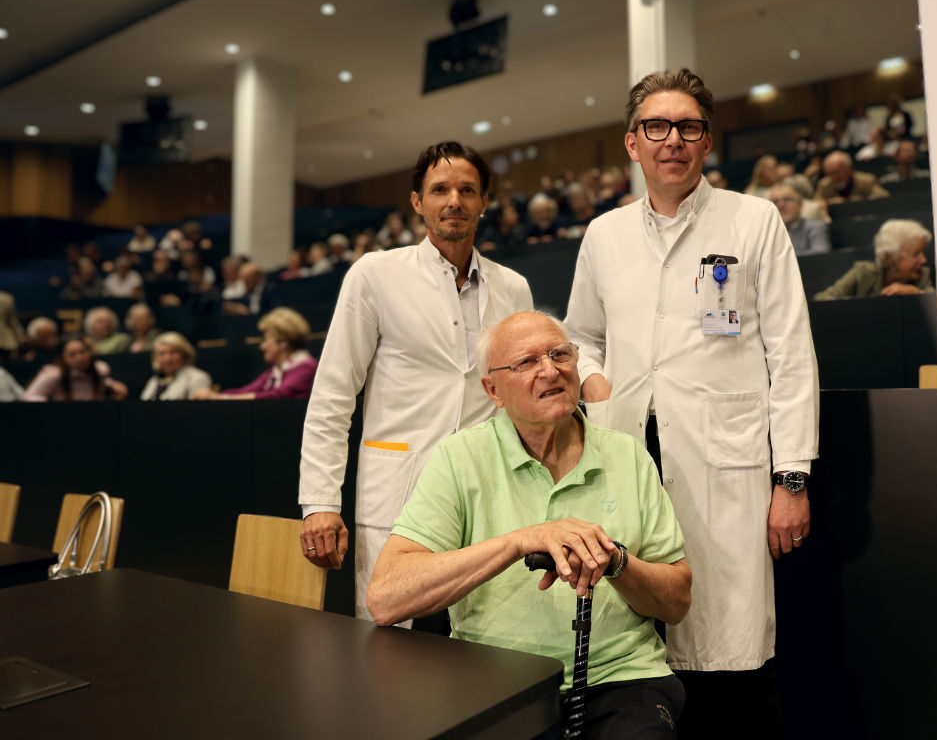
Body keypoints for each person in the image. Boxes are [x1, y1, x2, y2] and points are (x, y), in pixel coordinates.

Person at [564, 69, 820, 738]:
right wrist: (592, 379)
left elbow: (791, 355)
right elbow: (580, 337)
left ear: (707, 142)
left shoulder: (753, 220)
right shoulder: (604, 235)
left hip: (724, 464)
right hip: (626, 457)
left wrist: (791, 477)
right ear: (632, 143)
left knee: (727, 648)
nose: (672, 139)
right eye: (657, 126)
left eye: (688, 127)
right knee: (637, 649)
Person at [367, 311, 690, 736]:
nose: (550, 370)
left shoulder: (626, 455)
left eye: (560, 354)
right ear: (493, 390)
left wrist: (615, 562)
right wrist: (520, 541)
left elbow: (677, 602)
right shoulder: (461, 458)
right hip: (492, 682)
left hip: (621, 679)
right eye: (527, 362)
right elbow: (386, 598)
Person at [298, 141, 534, 619]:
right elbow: (333, 395)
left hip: (486, 490)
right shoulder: (375, 274)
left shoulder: (513, 287)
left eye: (468, 190)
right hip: (400, 489)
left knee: (487, 639)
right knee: (390, 642)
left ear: (484, 203)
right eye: (440, 189)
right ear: (417, 201)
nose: (454, 201)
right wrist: (320, 502)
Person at [192, 307, 318, 400]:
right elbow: (244, 391)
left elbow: (279, 396)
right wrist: (213, 395)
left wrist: (219, 398)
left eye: (266, 340)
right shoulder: (274, 372)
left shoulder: (306, 367)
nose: (262, 346)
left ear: (283, 342)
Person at [814, 218, 934, 300]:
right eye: (916, 254)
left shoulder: (922, 276)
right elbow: (822, 299)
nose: (923, 260)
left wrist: (916, 294)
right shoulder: (863, 272)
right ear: (889, 257)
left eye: (923, 253)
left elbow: (935, 302)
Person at [22, 336, 128, 402]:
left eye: (82, 352)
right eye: (72, 354)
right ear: (64, 358)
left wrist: (111, 384)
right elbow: (29, 396)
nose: (79, 358)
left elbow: (104, 382)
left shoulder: (100, 370)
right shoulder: (53, 374)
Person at [140, 332, 211, 400]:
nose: (167, 359)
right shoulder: (154, 380)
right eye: (162, 354)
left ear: (184, 354)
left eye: (173, 352)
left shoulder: (197, 377)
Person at [768, 183, 832, 256]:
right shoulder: (767, 232)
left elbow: (820, 253)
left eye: (787, 200)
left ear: (800, 205)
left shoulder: (815, 227)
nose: (781, 205)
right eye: (775, 202)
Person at [814, 150, 890, 204]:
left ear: (849, 168)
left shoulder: (866, 180)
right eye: (830, 173)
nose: (834, 177)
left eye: (837, 172)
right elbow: (815, 203)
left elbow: (883, 196)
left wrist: (857, 202)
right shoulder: (824, 184)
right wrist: (828, 202)